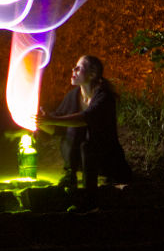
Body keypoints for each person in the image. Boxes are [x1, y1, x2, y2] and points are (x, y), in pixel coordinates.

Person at [36, 55, 132, 201]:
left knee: (87, 143)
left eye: (79, 68)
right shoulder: (73, 96)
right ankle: (70, 175)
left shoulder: (104, 97)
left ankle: (90, 194)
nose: (73, 70)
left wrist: (53, 120)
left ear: (92, 74)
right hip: (81, 160)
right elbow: (59, 128)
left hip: (105, 160)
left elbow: (86, 118)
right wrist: (42, 124)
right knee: (70, 132)